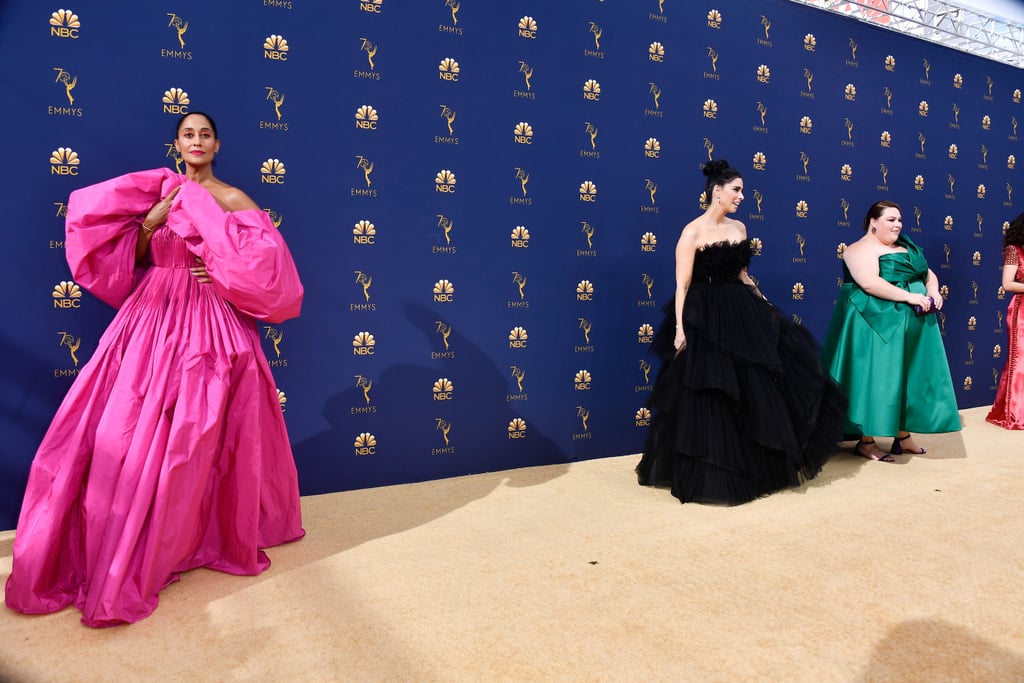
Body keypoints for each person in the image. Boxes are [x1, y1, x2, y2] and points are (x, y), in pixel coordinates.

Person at [5, 112, 305, 627]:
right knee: (124, 427)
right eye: (188, 134)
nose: (197, 141)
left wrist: (221, 267)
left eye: (205, 134)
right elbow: (138, 256)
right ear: (177, 144)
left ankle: (192, 536)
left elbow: (267, 265)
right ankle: (127, 529)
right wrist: (152, 219)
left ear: (217, 144)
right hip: (151, 313)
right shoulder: (160, 194)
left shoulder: (232, 198)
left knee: (199, 431)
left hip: (210, 320)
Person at [636, 159, 846, 505]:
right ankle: (708, 471)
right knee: (710, 391)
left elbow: (743, 277)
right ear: (716, 192)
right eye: (736, 190)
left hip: (738, 311)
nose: (742, 196)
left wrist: (764, 305)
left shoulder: (740, 228)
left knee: (751, 387)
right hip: (703, 314)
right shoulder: (692, 232)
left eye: (743, 191)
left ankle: (750, 465)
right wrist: (679, 328)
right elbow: (683, 284)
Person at [821, 200, 961, 461]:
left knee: (909, 375)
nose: (897, 224)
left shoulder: (905, 247)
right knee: (875, 378)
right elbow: (869, 283)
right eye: (891, 219)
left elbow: (927, 274)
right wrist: (910, 298)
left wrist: (932, 291)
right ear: (873, 222)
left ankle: (903, 436)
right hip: (875, 323)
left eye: (899, 220)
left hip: (915, 323)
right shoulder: (859, 249)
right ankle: (866, 442)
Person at [986, 213, 1024, 429]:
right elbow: (1007, 284)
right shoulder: (1013, 250)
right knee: (1020, 361)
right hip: (1021, 309)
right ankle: (1014, 414)